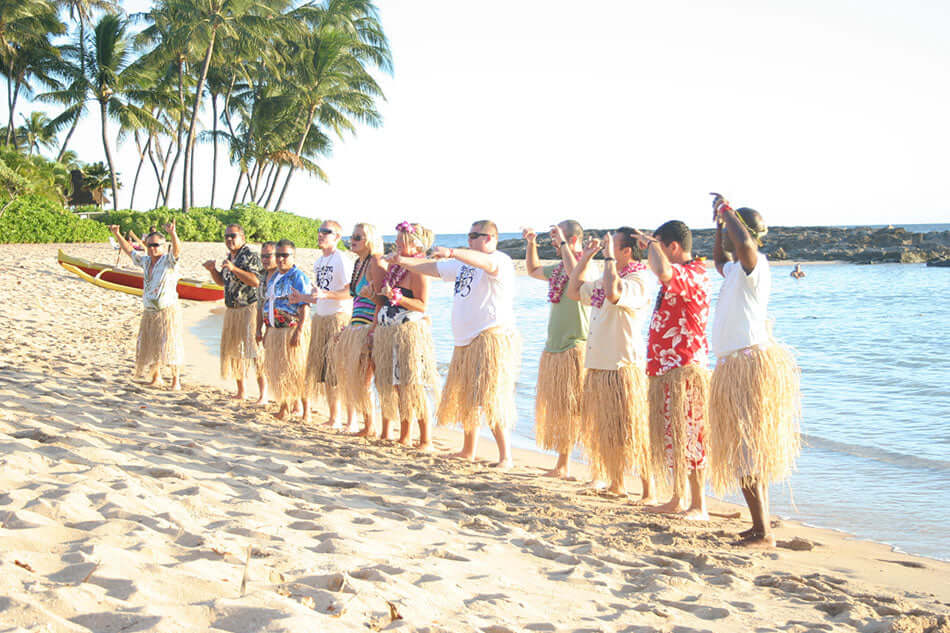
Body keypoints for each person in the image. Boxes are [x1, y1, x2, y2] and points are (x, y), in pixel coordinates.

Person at [709, 194, 802, 548]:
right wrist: (719, 228)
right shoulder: (735, 269)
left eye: (734, 232)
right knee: (744, 450)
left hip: (747, 367)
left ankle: (763, 531)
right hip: (734, 366)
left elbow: (744, 242)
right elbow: (720, 259)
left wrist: (726, 212)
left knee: (747, 450)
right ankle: (758, 525)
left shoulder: (755, 264)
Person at [395, 220, 519, 468]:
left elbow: (484, 263)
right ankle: (468, 450)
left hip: (489, 336)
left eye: (475, 235)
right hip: (465, 340)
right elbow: (433, 268)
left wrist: (452, 251)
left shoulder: (499, 260)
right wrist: (402, 261)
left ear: (490, 238)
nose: (470, 239)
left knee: (492, 397)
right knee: (468, 398)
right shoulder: (464, 264)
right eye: (469, 235)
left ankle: (505, 456)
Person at [567, 229, 654, 499]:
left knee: (634, 430)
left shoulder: (639, 279)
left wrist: (607, 260)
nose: (606, 246)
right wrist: (588, 256)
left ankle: (649, 491)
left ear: (626, 251)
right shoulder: (605, 276)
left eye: (611, 244)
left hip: (623, 365)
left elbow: (616, 293)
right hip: (600, 365)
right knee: (608, 430)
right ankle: (617, 483)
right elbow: (573, 291)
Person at [633, 221, 711, 519]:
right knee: (673, 436)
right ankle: (678, 498)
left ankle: (699, 504)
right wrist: (653, 244)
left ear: (672, 247)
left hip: (684, 367)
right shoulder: (680, 275)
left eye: (660, 245)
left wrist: (650, 244)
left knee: (691, 435)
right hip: (665, 367)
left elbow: (663, 271)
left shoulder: (692, 274)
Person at [524, 221, 589, 479]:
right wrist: (530, 243)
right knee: (562, 408)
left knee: (577, 408)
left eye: (558, 238)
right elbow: (533, 270)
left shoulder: (587, 263)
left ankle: (584, 465)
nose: (553, 242)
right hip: (554, 345)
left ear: (572, 240)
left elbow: (577, 276)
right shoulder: (560, 268)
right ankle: (562, 464)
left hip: (576, 344)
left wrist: (562, 243)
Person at [375, 222, 439, 449]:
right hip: (390, 330)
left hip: (408, 332)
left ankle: (425, 439)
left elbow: (422, 305)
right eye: (398, 239)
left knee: (413, 384)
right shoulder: (396, 269)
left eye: (403, 240)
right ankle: (404, 435)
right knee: (396, 385)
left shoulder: (420, 268)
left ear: (415, 244)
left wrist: (398, 297)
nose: (398, 243)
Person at [108, 220, 183, 390]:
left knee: (170, 345)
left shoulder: (168, 261)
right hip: (150, 311)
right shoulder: (146, 261)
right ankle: (156, 377)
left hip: (167, 310)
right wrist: (117, 234)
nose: (152, 248)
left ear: (164, 246)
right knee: (151, 344)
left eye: (156, 245)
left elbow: (177, 251)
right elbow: (129, 251)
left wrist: (173, 234)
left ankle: (175, 380)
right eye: (149, 245)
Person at [295, 220, 353, 428]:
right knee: (326, 372)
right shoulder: (319, 262)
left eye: (326, 232)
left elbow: (349, 292)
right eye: (319, 231)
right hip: (321, 318)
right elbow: (319, 296)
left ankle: (346, 419)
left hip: (338, 318)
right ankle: (333, 416)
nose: (321, 235)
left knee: (338, 370)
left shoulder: (341, 260)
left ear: (337, 237)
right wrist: (301, 298)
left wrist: (325, 294)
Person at [332, 223, 386, 436]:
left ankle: (371, 426)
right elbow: (356, 300)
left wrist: (373, 329)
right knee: (357, 377)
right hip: (356, 324)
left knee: (365, 378)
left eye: (358, 237)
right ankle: (368, 425)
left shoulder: (375, 262)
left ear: (370, 240)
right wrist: (348, 328)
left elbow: (381, 298)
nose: (352, 239)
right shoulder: (358, 263)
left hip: (369, 326)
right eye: (353, 236)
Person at [203, 224, 264, 400]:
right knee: (235, 351)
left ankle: (263, 394)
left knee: (255, 352)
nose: (229, 239)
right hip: (232, 310)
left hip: (249, 309)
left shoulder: (250, 256)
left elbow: (256, 281)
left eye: (233, 236)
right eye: (227, 236)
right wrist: (213, 270)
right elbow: (223, 282)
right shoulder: (230, 257)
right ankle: (241, 391)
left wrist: (235, 269)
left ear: (242, 238)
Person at [262, 239, 312, 422]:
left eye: (285, 255)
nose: (281, 259)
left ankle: (306, 411)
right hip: (276, 329)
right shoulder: (274, 277)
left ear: (293, 256)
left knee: (298, 370)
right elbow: (269, 303)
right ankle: (284, 407)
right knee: (279, 370)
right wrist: (267, 329)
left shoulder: (298, 277)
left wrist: (300, 331)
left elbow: (304, 305)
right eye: (278, 255)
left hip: (291, 329)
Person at [254, 241, 278, 405]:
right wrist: (257, 329)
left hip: (283, 326)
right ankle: (263, 395)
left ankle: (294, 403)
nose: (265, 259)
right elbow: (260, 305)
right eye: (262, 256)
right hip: (268, 325)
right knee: (260, 360)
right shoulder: (262, 276)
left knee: (283, 365)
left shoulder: (284, 275)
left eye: (268, 255)